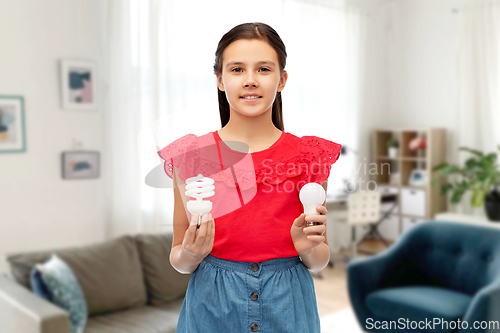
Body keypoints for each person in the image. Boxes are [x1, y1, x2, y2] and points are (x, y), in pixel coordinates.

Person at [158, 22, 341, 333]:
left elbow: (319, 259)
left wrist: (306, 247)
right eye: (238, 69)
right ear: (220, 79)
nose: (251, 80)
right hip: (211, 307)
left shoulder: (310, 156)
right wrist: (191, 252)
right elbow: (179, 259)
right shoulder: (190, 157)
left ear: (282, 80)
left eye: (264, 69)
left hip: (289, 305)